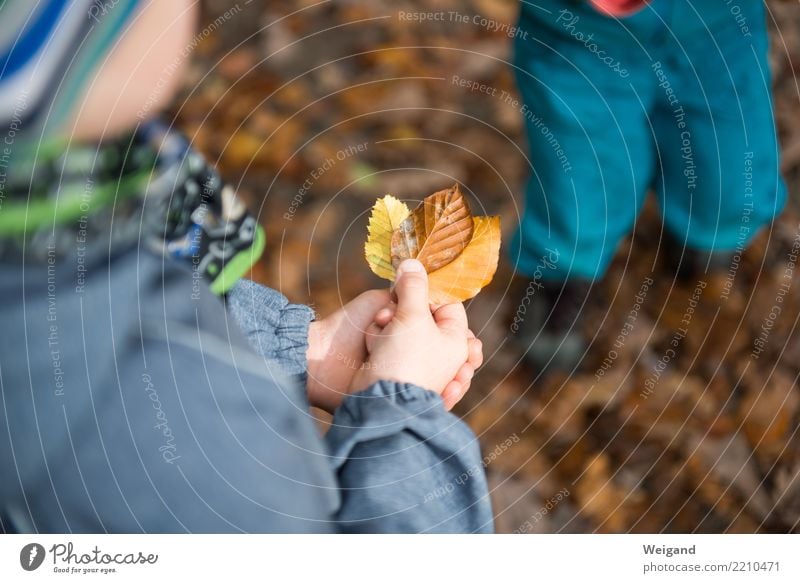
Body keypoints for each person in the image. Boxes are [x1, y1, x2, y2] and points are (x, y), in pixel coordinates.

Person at [0, 0, 493, 533]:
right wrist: (401, 412)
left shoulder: (73, 227)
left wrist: (299, 348)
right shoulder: (158, 443)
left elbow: (129, 311)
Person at [510, 0, 787, 372]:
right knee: (580, 178)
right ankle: (562, 273)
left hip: (717, 26)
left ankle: (705, 238)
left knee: (728, 172)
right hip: (577, 31)